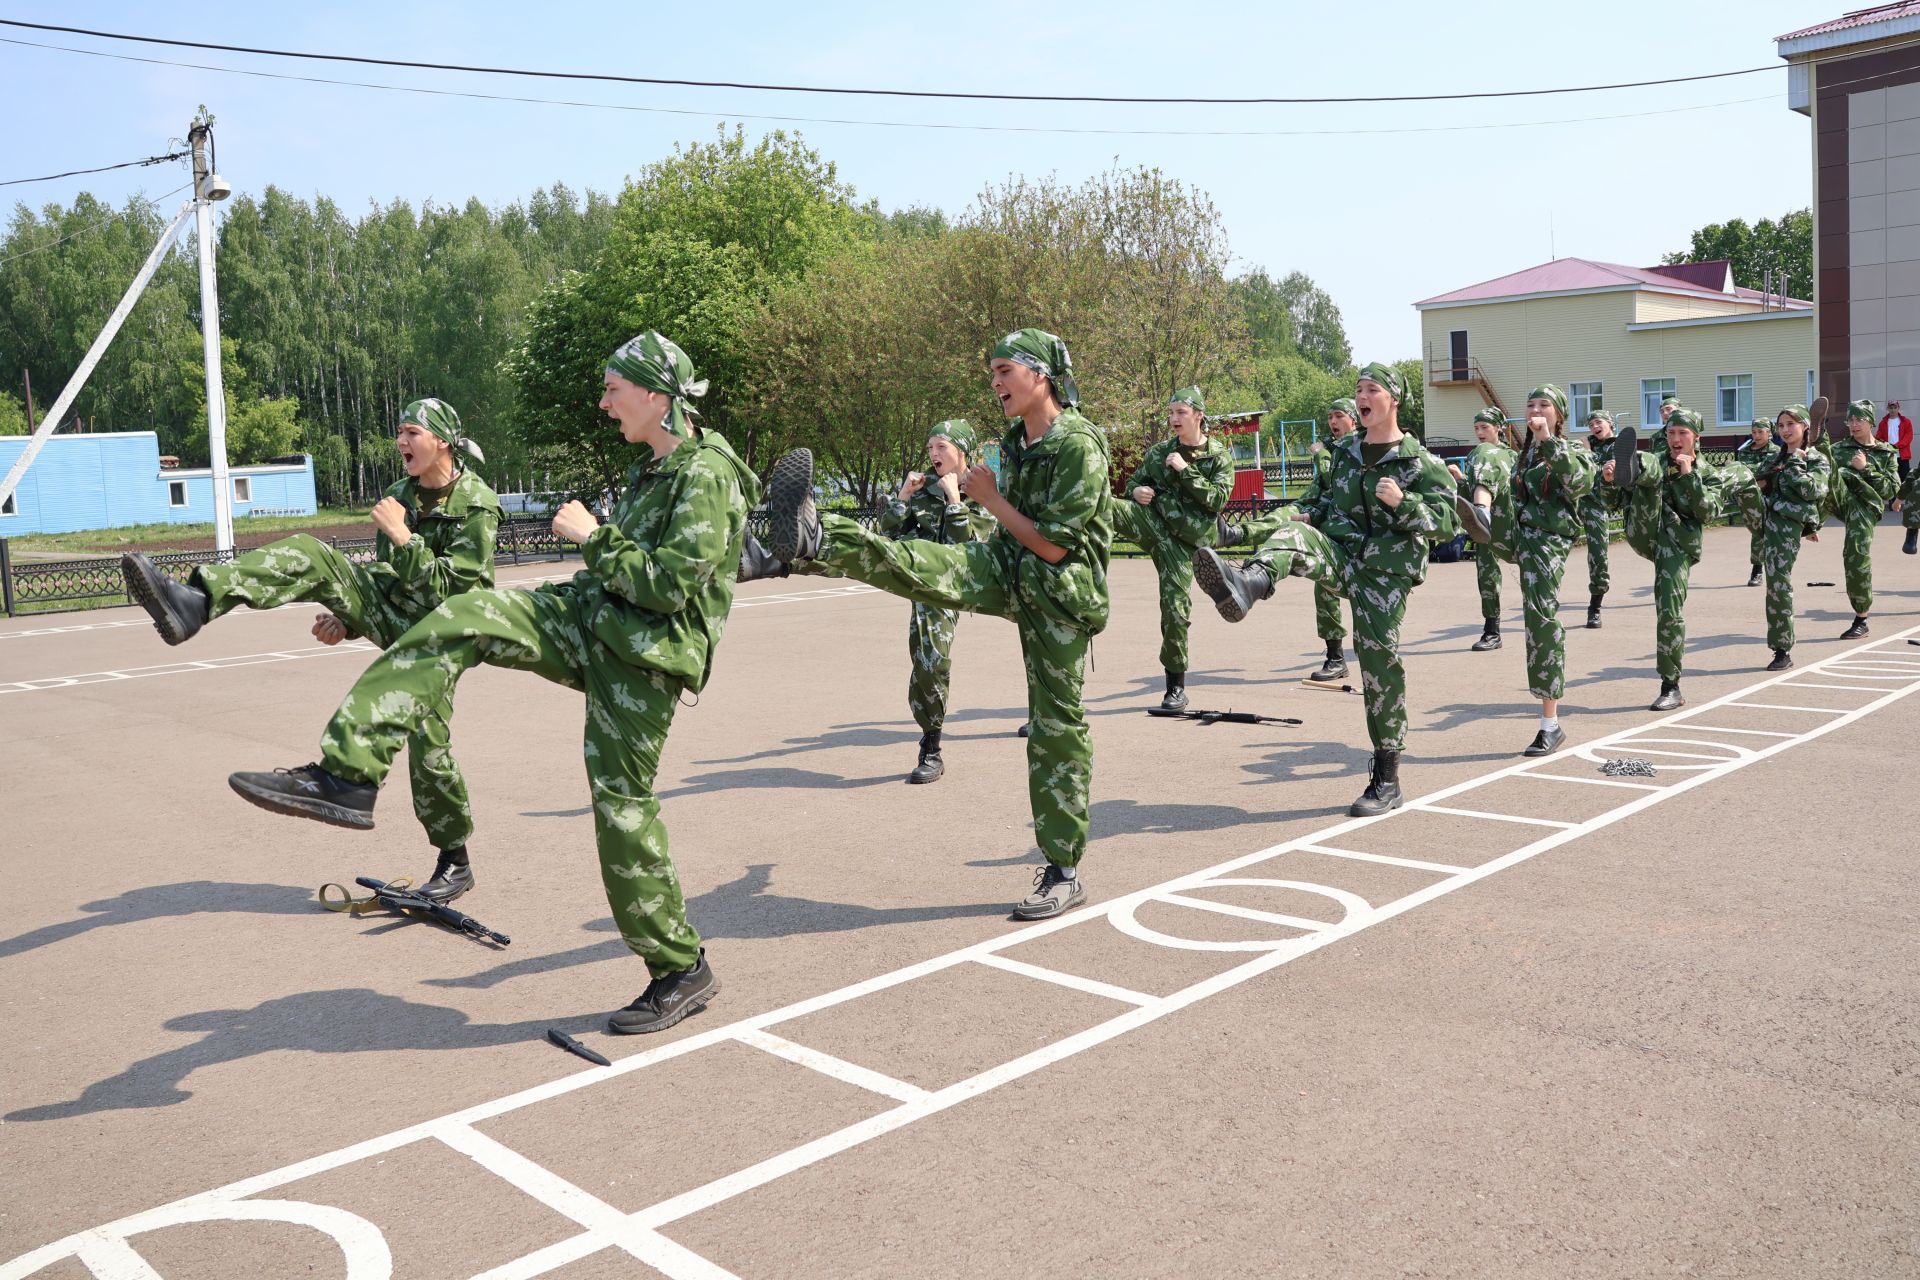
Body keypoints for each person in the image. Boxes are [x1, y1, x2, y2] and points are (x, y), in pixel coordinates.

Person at [225, 332, 756, 1034]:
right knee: (464, 613)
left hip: (645, 660)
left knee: (622, 813)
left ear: (656, 395)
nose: (603, 404)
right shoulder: (656, 467)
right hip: (595, 621)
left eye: (613, 391)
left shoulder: (705, 473)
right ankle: (346, 773)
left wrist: (592, 537)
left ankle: (679, 969)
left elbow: (666, 587)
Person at [759, 328, 1112, 921]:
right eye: (992, 372)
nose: (995, 382)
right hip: (1008, 565)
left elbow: (1054, 547)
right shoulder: (1015, 439)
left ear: (1040, 375)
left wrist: (990, 499)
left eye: (1004, 371)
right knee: (917, 565)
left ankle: (1064, 869)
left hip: (1060, 595)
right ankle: (810, 539)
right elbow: (1012, 534)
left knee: (1056, 728)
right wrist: (986, 507)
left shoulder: (1078, 445)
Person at [121, 398, 501, 904]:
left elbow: (459, 599)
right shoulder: (398, 494)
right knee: (311, 552)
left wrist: (405, 538)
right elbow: (386, 576)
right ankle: (196, 600)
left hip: (444, 636)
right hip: (395, 615)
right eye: (400, 432)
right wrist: (347, 618)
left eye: (412, 432)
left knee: (428, 750)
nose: (401, 442)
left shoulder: (477, 503)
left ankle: (455, 862)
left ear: (443, 441)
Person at [1193, 363, 1457, 817]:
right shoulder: (1344, 452)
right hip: (1342, 555)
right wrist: (1248, 532)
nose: (1362, 396)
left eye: (1372, 389)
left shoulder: (1419, 462)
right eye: (1358, 389)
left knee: (1378, 660)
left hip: (1385, 573)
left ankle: (1387, 776)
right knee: (1294, 536)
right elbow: (1309, 506)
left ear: (1393, 400)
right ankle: (1247, 584)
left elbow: (1448, 523)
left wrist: (1404, 502)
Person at [1465, 385, 1597, 756]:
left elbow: (1578, 482)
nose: (1535, 410)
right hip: (1515, 532)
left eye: (1544, 406)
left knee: (1538, 618)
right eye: (1530, 405)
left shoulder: (1571, 450)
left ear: (1559, 415)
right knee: (1488, 452)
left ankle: (1550, 724)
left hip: (1547, 540)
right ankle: (1478, 512)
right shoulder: (1520, 456)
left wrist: (1546, 440)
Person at [1605, 407, 1753, 710]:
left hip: (1677, 544)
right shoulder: (1659, 459)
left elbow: (1708, 512)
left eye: (1682, 433)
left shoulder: (1707, 473)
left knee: (1669, 611)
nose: (1675, 438)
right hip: (1645, 531)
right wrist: (1609, 481)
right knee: (1650, 468)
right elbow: (1614, 503)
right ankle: (1632, 466)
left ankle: (1670, 685)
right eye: (1670, 433)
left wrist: (1688, 477)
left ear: (1696, 437)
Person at [877, 420, 994, 783]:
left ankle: (1040, 714)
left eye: (941, 447)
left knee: (1037, 635)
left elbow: (972, 545)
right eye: (930, 448)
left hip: (975, 582)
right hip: (930, 586)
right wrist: (903, 498)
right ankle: (931, 746)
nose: (933, 454)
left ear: (962, 451)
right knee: (930, 659)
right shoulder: (923, 491)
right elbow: (891, 535)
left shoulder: (983, 490)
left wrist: (955, 501)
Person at [1218, 397, 1358, 681]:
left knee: (1336, 595)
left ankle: (1346, 657)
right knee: (1284, 518)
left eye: (1339, 416)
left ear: (1353, 419)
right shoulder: (1333, 449)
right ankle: (1236, 537)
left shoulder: (1355, 448)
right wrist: (1305, 512)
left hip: (1350, 531)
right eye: (1330, 416)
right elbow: (1318, 491)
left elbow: (1332, 483)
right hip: (1320, 517)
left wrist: (1320, 456)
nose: (1333, 422)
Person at [1116, 387, 1233, 710]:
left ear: (1199, 416)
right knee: (1108, 508)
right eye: (1170, 413)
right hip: (1159, 530)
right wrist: (1136, 491)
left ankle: (1175, 688)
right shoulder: (1159, 453)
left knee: (1175, 611)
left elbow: (1217, 500)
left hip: (1192, 544)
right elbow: (1132, 484)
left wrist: (1185, 470)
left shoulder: (1218, 456)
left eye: (1180, 412)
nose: (1173, 419)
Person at [1751, 404, 1833, 671]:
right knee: (1775, 581)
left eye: (1791, 424)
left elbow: (1813, 491)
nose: (1785, 430)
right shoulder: (1774, 458)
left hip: (1787, 526)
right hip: (1767, 522)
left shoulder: (1815, 458)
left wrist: (1796, 462)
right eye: (1781, 425)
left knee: (1777, 582)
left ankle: (1782, 648)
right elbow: (1758, 483)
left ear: (1805, 427)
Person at [1831, 399, 1901, 638]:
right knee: (1835, 472)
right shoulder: (1838, 449)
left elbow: (1890, 491)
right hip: (1838, 501)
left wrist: (1865, 469)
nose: (1853, 424)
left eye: (1859, 419)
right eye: (1850, 419)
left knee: (1855, 554)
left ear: (1870, 422)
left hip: (1864, 507)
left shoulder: (1886, 452)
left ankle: (1861, 618)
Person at [1449, 407, 1516, 652]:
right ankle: (1492, 630)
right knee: (1486, 575)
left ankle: (1541, 621)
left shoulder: (1510, 457)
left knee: (1534, 579)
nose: (1479, 432)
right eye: (1476, 428)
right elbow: (1471, 492)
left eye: (1484, 427)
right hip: (1486, 529)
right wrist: (1461, 482)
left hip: (1513, 526)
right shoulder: (1477, 456)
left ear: (1499, 427)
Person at [1577, 409, 1620, 628]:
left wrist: (1586, 451)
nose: (1594, 427)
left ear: (1609, 423)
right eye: (1591, 424)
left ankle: (1595, 607)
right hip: (1574, 501)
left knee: (1598, 556)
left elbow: (1603, 473)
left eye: (1598, 422)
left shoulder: (1618, 445)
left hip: (1596, 504)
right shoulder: (1584, 443)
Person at [1733, 418, 1775, 587]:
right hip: (1749, 496)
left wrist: (1763, 479)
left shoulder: (1776, 451)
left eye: (1760, 432)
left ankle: (1759, 570)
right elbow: (1742, 471)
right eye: (1754, 432)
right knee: (1759, 531)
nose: (1756, 435)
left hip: (1771, 495)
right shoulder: (1744, 451)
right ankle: (1760, 567)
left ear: (1769, 433)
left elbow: (1775, 472)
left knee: (1765, 532)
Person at [1878, 399, 1912, 487]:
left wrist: (1896, 446)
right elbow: (1879, 437)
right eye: (1890, 408)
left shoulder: (1906, 422)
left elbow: (1908, 437)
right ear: (1887, 409)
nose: (1893, 410)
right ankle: (1892, 501)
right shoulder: (1883, 423)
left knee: (1904, 479)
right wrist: (1885, 446)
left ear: (1898, 408)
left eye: (1895, 407)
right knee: (1891, 480)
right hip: (1889, 456)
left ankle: (1903, 500)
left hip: (1902, 456)